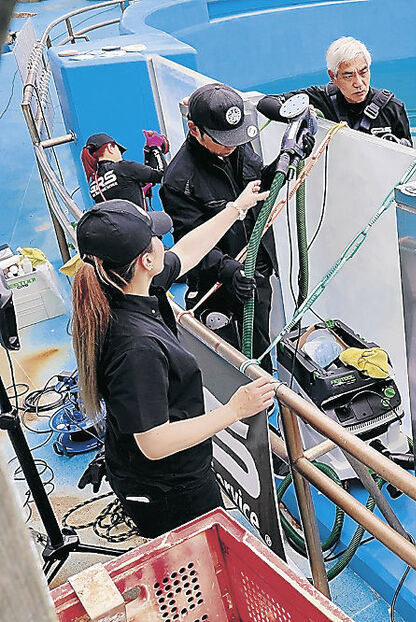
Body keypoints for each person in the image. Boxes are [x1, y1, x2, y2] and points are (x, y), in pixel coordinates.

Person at [71, 196, 278, 538]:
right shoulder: (136, 347)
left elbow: (186, 252)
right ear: (146, 260)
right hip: (169, 491)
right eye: (155, 236)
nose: (162, 241)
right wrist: (235, 410)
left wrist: (236, 207)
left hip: (161, 474)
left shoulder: (120, 285)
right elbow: (154, 442)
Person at [160, 83, 313, 366]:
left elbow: (258, 185)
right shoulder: (179, 181)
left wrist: (286, 159)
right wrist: (229, 271)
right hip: (219, 285)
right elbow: (190, 243)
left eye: (235, 137)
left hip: (257, 272)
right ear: (194, 129)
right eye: (222, 139)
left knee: (260, 346)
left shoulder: (235, 146)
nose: (231, 145)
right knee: (235, 359)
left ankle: (268, 401)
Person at [260, 36, 412, 146]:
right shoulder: (320, 98)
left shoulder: (392, 108)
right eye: (348, 75)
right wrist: (298, 114)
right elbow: (265, 103)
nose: (359, 83)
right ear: (333, 76)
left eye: (363, 72)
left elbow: (410, 157)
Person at [81, 132, 169, 208]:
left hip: (117, 226)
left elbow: (146, 180)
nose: (120, 154)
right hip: (139, 224)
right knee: (165, 219)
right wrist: (155, 148)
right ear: (110, 148)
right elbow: (164, 175)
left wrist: (148, 153)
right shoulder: (123, 167)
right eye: (118, 150)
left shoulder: (94, 185)